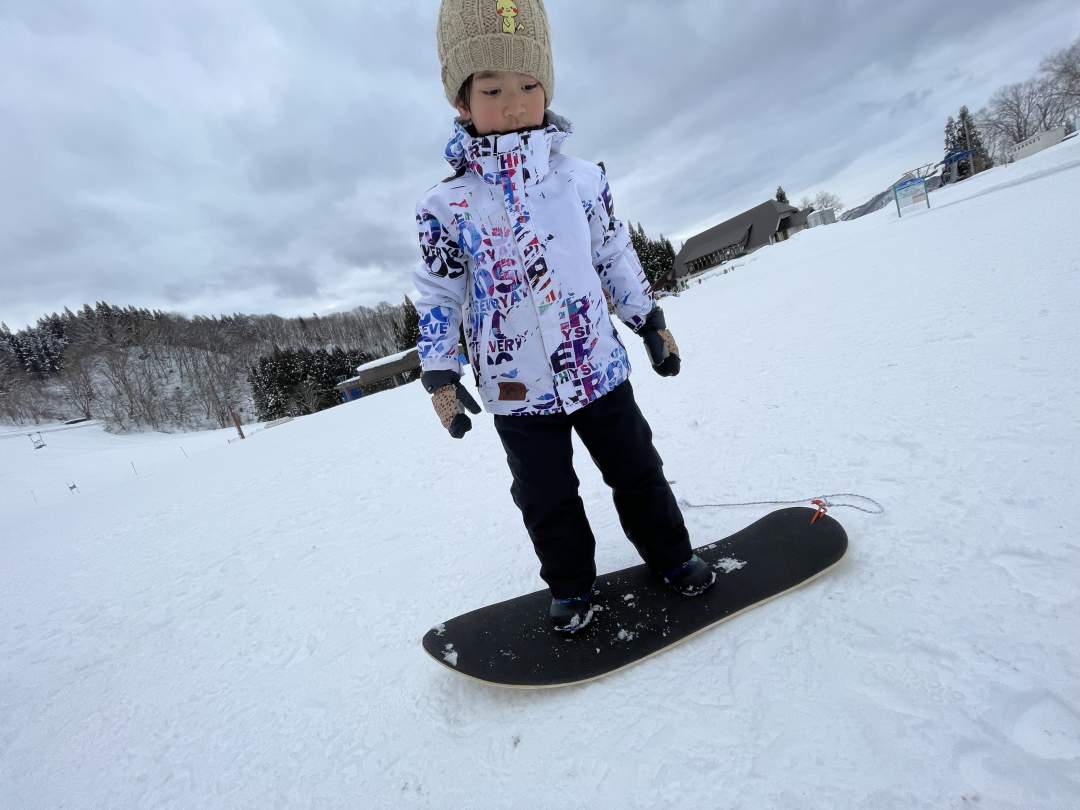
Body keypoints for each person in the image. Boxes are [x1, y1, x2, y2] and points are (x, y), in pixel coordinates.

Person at [413, 0, 714, 633]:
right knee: (545, 499)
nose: (515, 103)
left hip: (597, 367)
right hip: (515, 388)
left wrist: (650, 321)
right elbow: (440, 292)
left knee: (637, 472)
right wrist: (439, 373)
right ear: (462, 103)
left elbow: (613, 253)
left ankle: (672, 556)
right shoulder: (447, 205)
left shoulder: (581, 180)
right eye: (493, 89)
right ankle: (572, 587)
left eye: (528, 85)